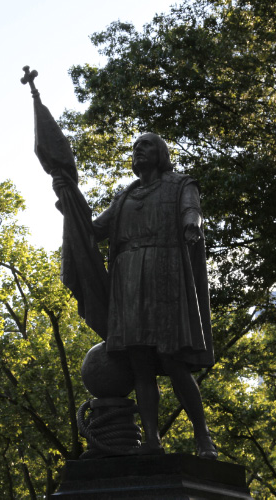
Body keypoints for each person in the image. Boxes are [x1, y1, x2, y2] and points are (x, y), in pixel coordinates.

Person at [56, 133, 217, 459]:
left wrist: (192, 225)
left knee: (173, 361)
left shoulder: (180, 184)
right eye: (135, 147)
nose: (138, 151)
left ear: (160, 153)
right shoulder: (125, 197)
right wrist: (69, 199)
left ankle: (203, 439)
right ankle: (152, 441)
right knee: (140, 363)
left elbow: (192, 210)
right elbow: (94, 230)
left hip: (165, 278)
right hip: (127, 283)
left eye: (145, 146)